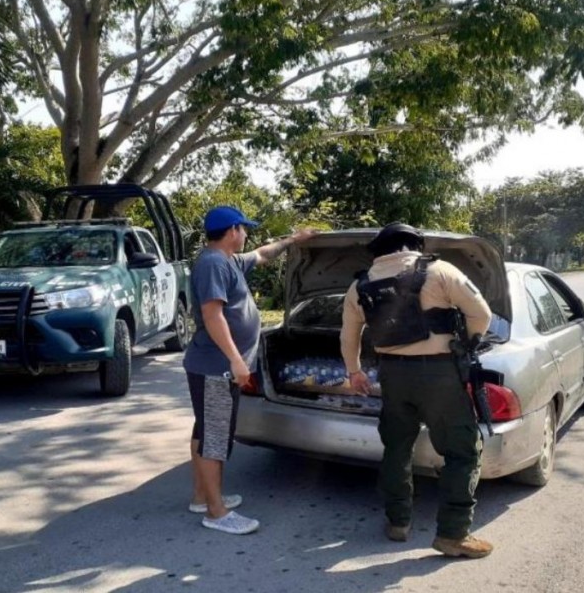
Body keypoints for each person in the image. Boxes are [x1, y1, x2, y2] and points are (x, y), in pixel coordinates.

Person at [340, 222, 494, 559]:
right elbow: (481, 314)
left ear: (380, 250)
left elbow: (349, 333)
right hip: (439, 374)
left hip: (392, 375)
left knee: (396, 447)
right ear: (415, 245)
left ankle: (398, 522)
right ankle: (453, 534)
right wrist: (468, 343)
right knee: (462, 451)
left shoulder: (360, 284)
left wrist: (354, 371)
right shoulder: (439, 270)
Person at [182, 206, 315, 535]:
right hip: (216, 366)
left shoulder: (227, 259)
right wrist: (237, 360)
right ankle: (216, 512)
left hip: (214, 364)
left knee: (206, 431)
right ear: (231, 231)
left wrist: (292, 241)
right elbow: (213, 316)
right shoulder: (213, 263)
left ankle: (203, 496)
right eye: (244, 229)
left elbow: (261, 255)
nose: (247, 235)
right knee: (215, 437)